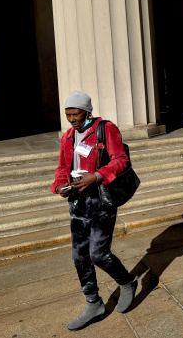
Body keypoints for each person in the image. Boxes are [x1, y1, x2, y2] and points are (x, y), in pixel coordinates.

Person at [50, 91, 138, 331]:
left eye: (76, 114)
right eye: (68, 114)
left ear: (87, 112)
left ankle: (127, 281)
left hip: (101, 200)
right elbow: (62, 167)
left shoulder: (105, 129)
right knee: (79, 257)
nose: (72, 119)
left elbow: (121, 160)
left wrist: (97, 176)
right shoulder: (68, 137)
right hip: (77, 202)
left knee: (98, 253)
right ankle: (93, 303)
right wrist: (60, 185)